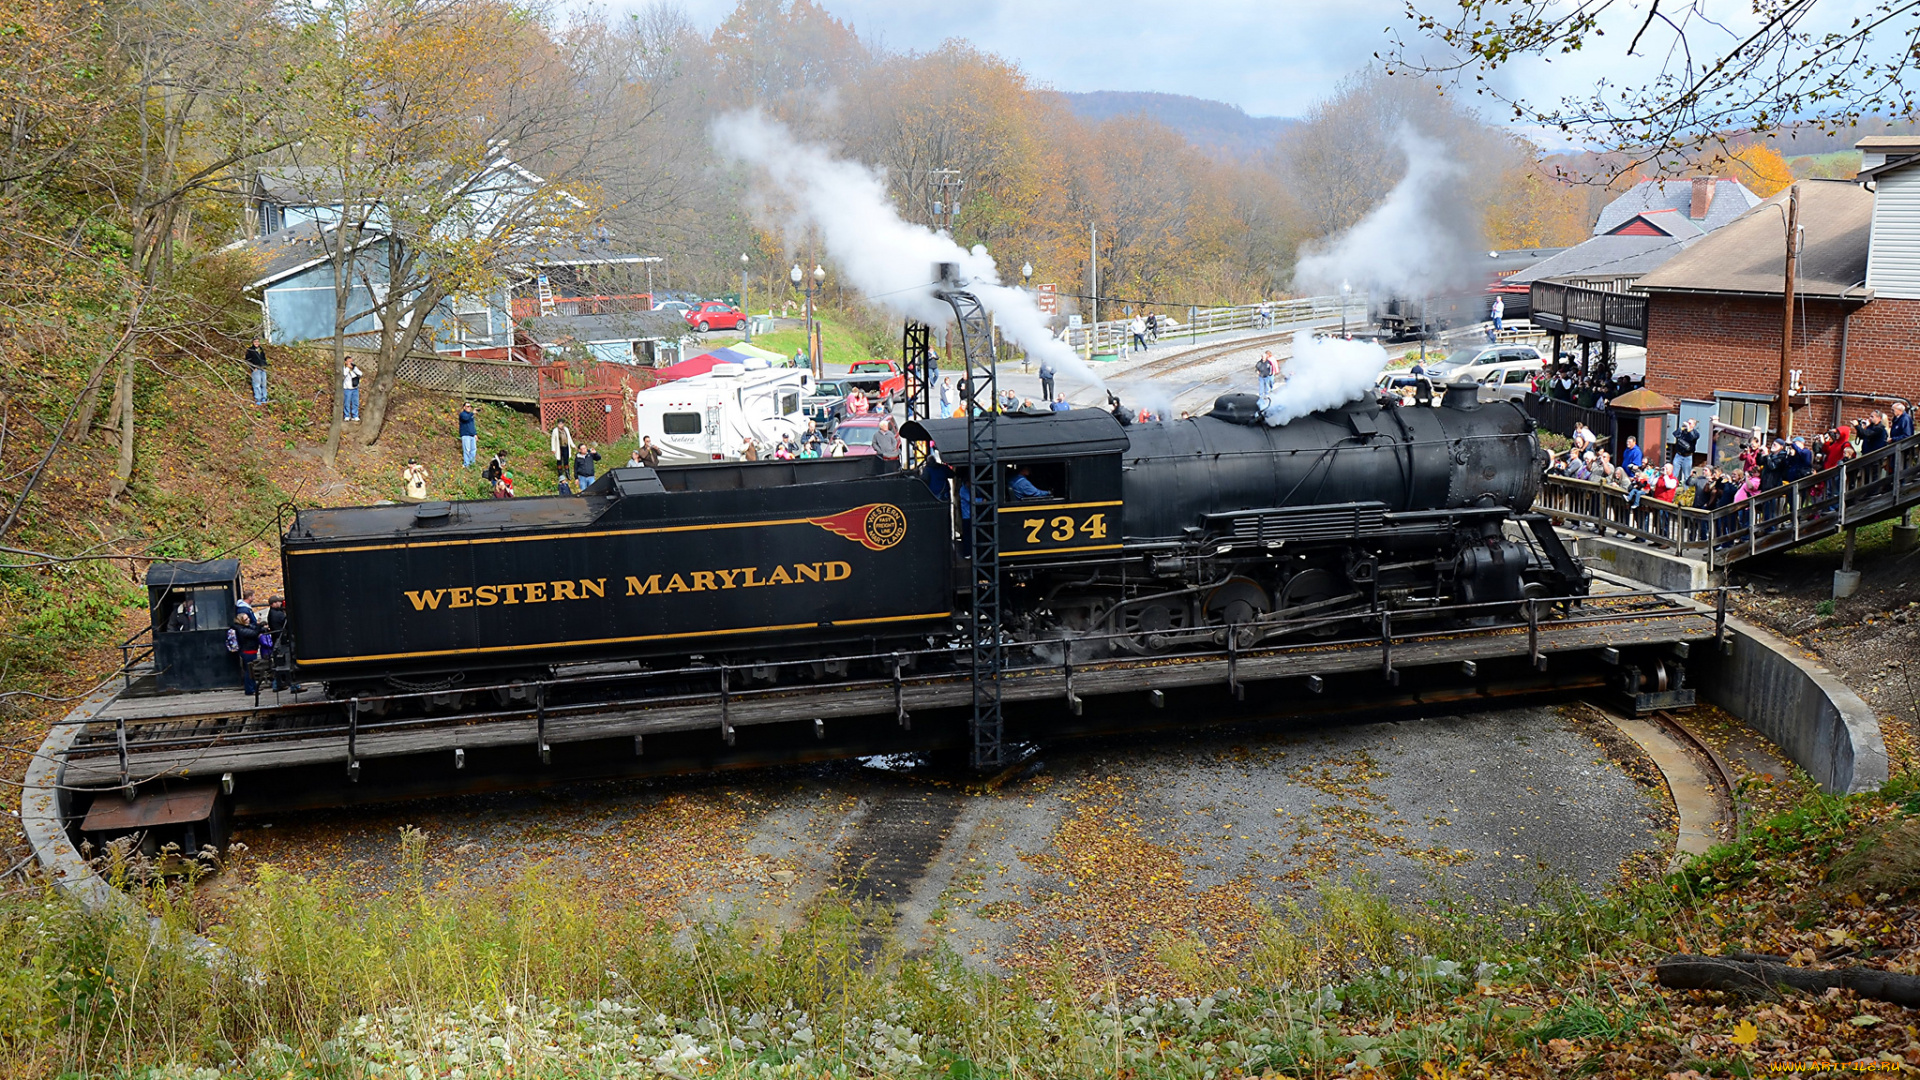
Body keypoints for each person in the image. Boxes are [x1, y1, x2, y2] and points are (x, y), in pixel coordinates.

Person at [229, 611, 261, 696]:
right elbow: (253, 633)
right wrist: (258, 626)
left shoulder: (245, 627)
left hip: (251, 651)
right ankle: (250, 689)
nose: (248, 620)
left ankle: (253, 687)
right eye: (246, 619)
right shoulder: (241, 629)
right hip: (247, 651)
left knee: (251, 671)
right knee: (248, 671)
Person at [245, 338, 269, 404]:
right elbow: (247, 360)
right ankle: (258, 398)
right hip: (256, 369)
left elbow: (264, 358)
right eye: (255, 341)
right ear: (252, 342)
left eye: (258, 341)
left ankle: (264, 397)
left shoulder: (261, 350)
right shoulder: (250, 350)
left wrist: (265, 365)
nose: (257, 343)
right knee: (257, 384)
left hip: (263, 368)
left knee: (264, 384)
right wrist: (253, 368)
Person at [457, 402, 478, 467]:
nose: (469, 408)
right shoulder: (462, 414)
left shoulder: (471, 416)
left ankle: (472, 463)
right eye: (468, 406)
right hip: (466, 435)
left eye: (470, 406)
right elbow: (465, 418)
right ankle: (466, 464)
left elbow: (472, 426)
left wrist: (475, 434)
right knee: (467, 450)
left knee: (473, 450)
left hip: (472, 435)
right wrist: (472, 413)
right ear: (464, 407)